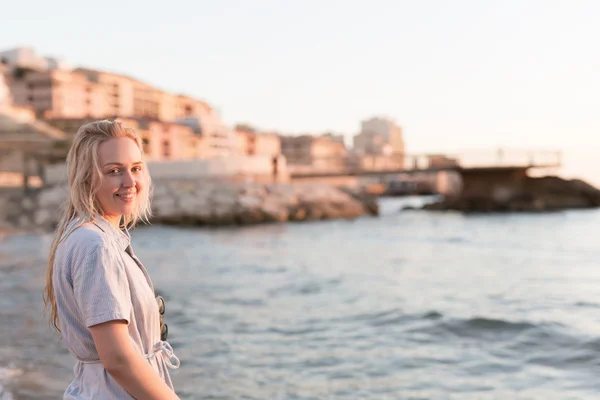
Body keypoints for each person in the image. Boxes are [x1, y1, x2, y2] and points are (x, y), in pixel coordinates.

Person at [43, 120, 180, 399]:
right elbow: (117, 357)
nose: (130, 182)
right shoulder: (95, 245)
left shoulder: (86, 236)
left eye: (136, 169)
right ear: (86, 177)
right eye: (114, 171)